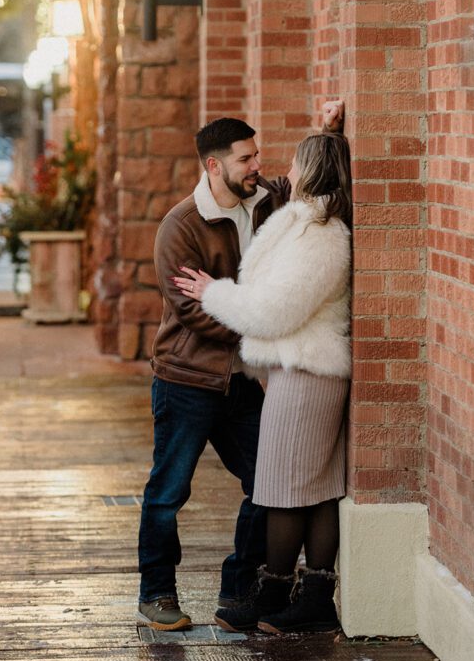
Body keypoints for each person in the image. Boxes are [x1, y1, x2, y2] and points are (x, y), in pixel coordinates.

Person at [137, 105, 345, 631]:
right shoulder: (179, 227)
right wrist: (263, 323)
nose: (259, 166)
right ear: (214, 165)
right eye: (246, 158)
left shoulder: (267, 199)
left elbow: (313, 174)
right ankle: (157, 593)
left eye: (258, 156)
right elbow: (193, 310)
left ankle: (240, 586)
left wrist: (326, 132)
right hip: (189, 378)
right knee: (168, 491)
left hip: (248, 380)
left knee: (265, 484)